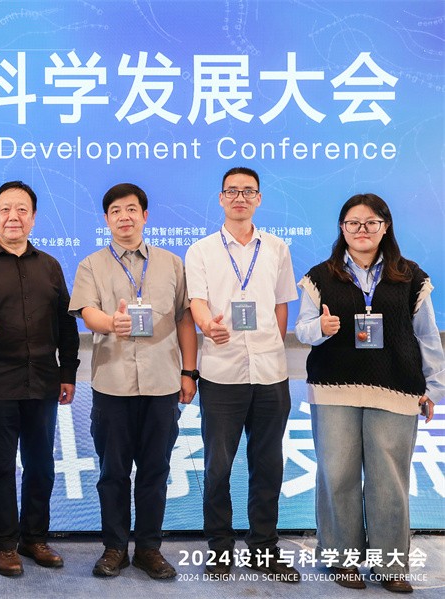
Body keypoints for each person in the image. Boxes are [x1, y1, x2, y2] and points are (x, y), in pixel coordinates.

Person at [294, 193, 443, 593]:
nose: (362, 230)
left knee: (389, 479)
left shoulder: (410, 276)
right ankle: (341, 560)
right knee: (337, 474)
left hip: (396, 388)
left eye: (371, 222)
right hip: (334, 389)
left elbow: (427, 336)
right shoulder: (320, 276)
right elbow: (302, 329)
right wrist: (320, 329)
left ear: (385, 227)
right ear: (342, 228)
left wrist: (433, 387)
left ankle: (390, 564)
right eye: (353, 223)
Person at [69, 183, 197, 579]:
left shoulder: (172, 263)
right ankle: (114, 548)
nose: (124, 217)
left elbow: (184, 319)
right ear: (106, 220)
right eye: (115, 211)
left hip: (163, 384)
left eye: (131, 209)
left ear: (144, 215)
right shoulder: (92, 264)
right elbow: (87, 312)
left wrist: (189, 371)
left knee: (155, 471)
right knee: (113, 472)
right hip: (113, 384)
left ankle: (148, 549)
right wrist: (112, 323)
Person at [0, 181, 80, 577]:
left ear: (33, 217)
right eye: (5, 209)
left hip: (42, 381)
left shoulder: (50, 266)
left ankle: (34, 538)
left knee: (41, 466)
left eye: (22, 209)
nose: (13, 217)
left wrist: (68, 372)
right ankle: (4, 544)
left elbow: (66, 324)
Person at [184, 166, 300, 582]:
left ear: (259, 199)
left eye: (248, 191)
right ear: (221, 198)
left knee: (268, 466)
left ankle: (263, 548)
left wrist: (272, 344)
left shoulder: (277, 248)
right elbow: (197, 301)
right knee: (218, 467)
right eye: (232, 191)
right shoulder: (201, 250)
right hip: (222, 373)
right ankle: (219, 547)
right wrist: (207, 326)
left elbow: (282, 304)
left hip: (270, 373)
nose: (240, 198)